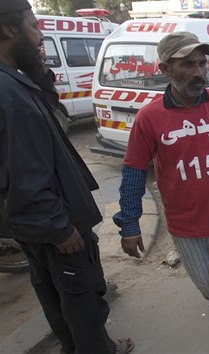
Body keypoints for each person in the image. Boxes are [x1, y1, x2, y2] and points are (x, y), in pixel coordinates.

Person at [0, 1, 134, 354]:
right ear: (9, 30)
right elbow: (26, 171)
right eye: (33, 27)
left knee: (56, 296)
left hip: (35, 225)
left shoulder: (14, 82)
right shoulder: (8, 94)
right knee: (82, 300)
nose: (40, 35)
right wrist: (59, 227)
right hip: (54, 224)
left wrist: (40, 72)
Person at [113, 31, 209, 342]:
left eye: (201, 63)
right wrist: (129, 223)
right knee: (205, 279)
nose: (198, 72)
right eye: (187, 65)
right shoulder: (149, 117)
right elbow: (134, 172)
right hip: (183, 219)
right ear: (165, 69)